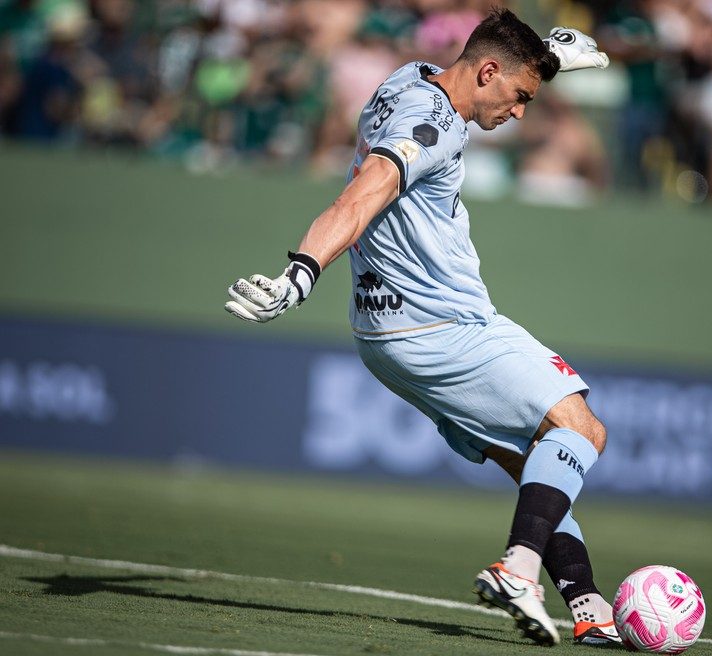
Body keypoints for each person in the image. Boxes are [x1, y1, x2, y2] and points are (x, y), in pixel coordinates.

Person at [224, 9, 614, 647]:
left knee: (537, 461)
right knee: (582, 428)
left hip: (383, 338)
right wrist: (300, 271)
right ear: (486, 73)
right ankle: (518, 569)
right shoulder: (429, 127)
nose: (519, 113)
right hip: (442, 323)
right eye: (519, 97)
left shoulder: (408, 79)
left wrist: (547, 57)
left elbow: (489, 61)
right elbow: (360, 196)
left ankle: (589, 604)